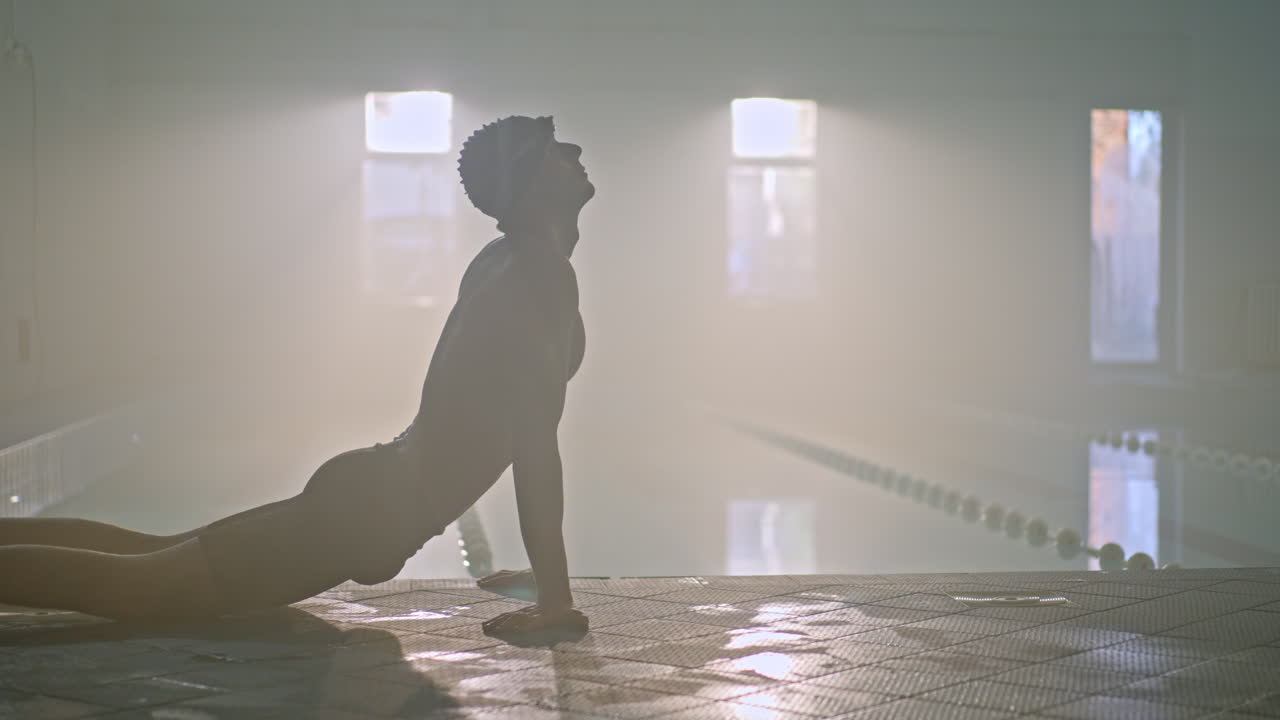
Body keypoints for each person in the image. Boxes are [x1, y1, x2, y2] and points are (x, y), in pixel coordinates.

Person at [0, 115, 592, 636]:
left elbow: (490, 418)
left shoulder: (504, 261)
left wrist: (544, 578)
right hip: (367, 513)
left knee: (150, 554)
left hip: (372, 492)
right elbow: (533, 445)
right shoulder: (538, 273)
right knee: (135, 588)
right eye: (555, 149)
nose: (575, 152)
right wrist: (556, 600)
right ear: (531, 181)